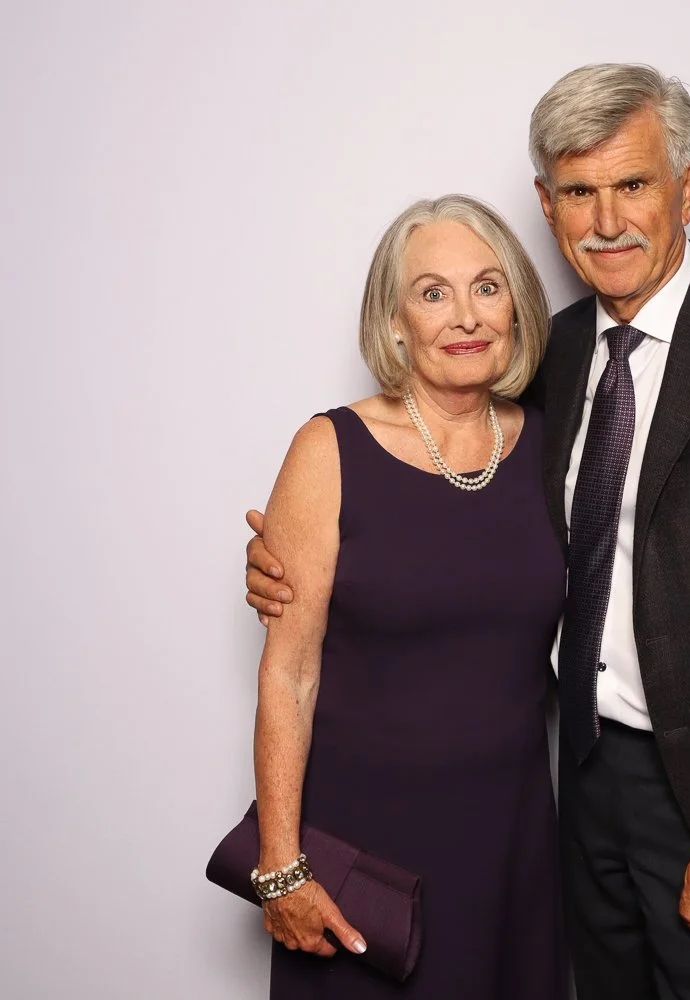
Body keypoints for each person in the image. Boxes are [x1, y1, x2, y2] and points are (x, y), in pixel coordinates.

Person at [247, 64, 690, 1000]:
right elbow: (445, 515)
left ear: (686, 186)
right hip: (576, 789)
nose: (607, 220)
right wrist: (296, 559)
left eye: (633, 184)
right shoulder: (543, 359)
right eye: (579, 192)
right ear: (547, 205)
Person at [248, 194, 567, 999]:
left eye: (488, 287)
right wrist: (280, 867)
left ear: (518, 307)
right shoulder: (331, 449)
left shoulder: (552, 445)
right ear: (394, 322)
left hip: (514, 849)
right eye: (433, 293)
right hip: (366, 858)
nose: (466, 315)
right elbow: (289, 675)